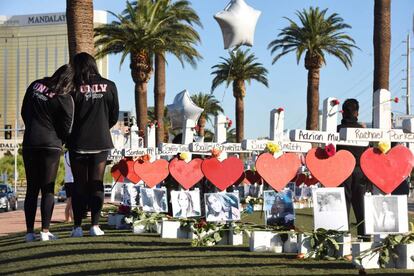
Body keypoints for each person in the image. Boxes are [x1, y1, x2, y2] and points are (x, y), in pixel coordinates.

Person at [67, 52, 119, 237]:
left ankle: (77, 227)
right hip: (101, 141)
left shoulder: (72, 87)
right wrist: (102, 128)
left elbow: (67, 116)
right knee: (97, 182)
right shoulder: (110, 85)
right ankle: (95, 226)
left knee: (79, 184)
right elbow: (114, 115)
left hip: (78, 142)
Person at [21, 64, 75, 242]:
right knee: (48, 189)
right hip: (51, 145)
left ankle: (29, 232)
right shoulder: (64, 97)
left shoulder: (35, 85)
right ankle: (45, 231)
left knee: (31, 189)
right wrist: (59, 139)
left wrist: (32, 128)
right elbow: (67, 126)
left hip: (30, 142)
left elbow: (24, 111)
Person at [337, 99, 368, 238]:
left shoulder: (337, 130)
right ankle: (365, 237)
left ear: (342, 113)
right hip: (359, 172)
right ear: (357, 112)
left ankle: (343, 237)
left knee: (343, 206)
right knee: (361, 207)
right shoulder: (362, 131)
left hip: (342, 171)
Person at [63, 151, 74, 222]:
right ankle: (72, 219)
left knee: (69, 202)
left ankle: (67, 219)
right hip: (73, 180)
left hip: (67, 180)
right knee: (72, 203)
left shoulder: (65, 154)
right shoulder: (72, 154)